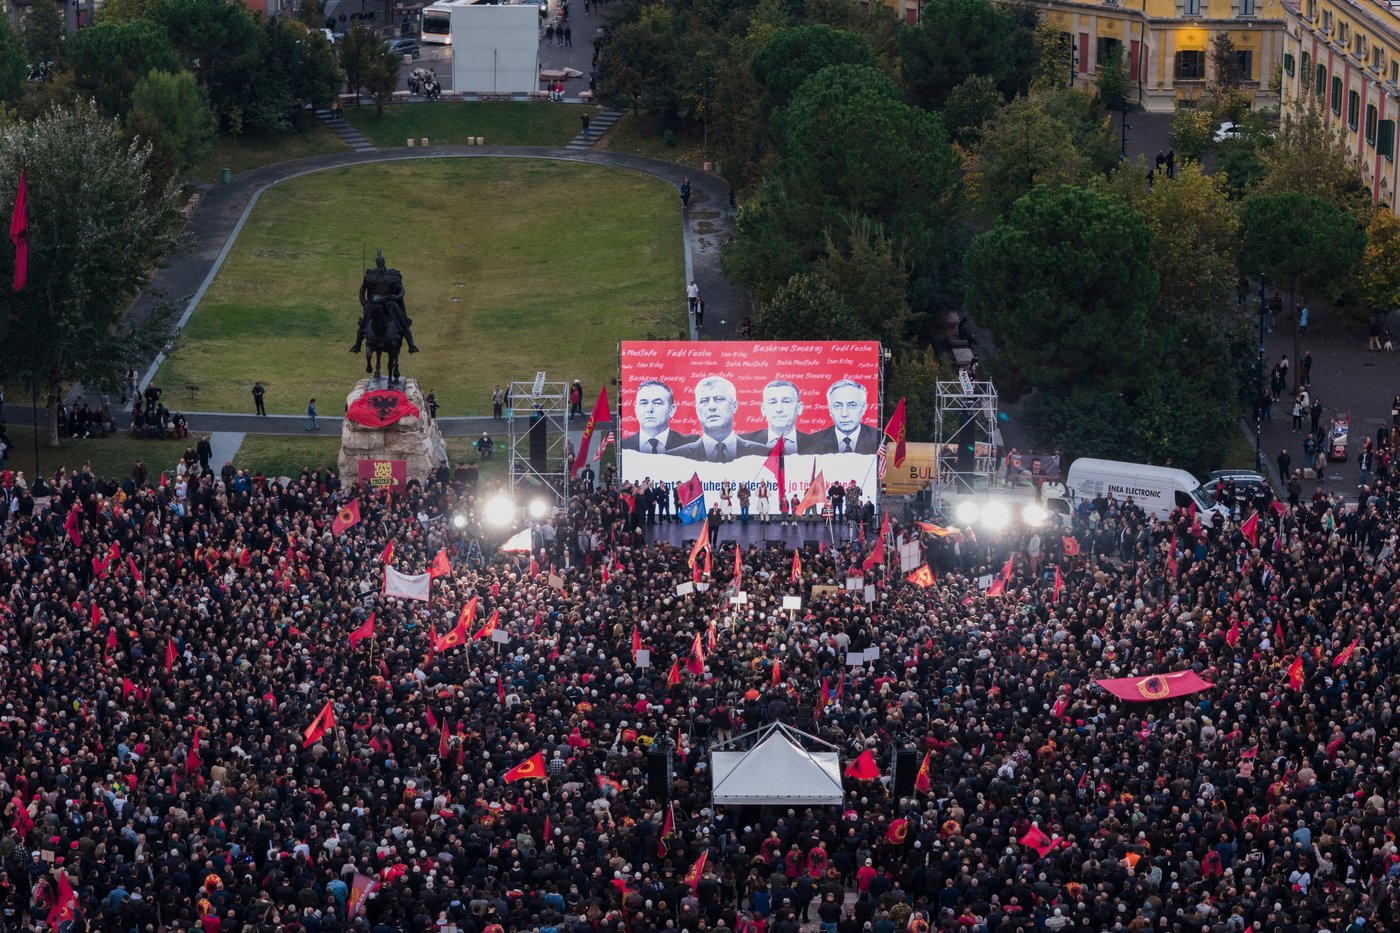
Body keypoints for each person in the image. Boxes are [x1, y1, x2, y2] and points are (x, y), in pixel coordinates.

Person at [671, 376, 767, 462]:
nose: (711, 407)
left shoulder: (764, 454)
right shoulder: (674, 458)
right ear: (697, 409)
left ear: (734, 406)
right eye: (704, 401)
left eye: (719, 399)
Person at [621, 379, 696, 453]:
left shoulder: (691, 444)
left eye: (657, 403)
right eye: (644, 403)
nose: (649, 409)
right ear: (636, 410)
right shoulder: (622, 446)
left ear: (671, 410)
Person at [809, 379, 881, 454]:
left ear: (863, 408)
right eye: (838, 406)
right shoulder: (813, 442)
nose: (844, 414)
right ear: (830, 409)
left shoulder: (879, 439)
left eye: (852, 405)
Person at [741, 379, 812, 454]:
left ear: (799, 408)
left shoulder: (821, 445)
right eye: (773, 402)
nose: (779, 409)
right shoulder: (741, 444)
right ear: (763, 409)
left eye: (786, 401)